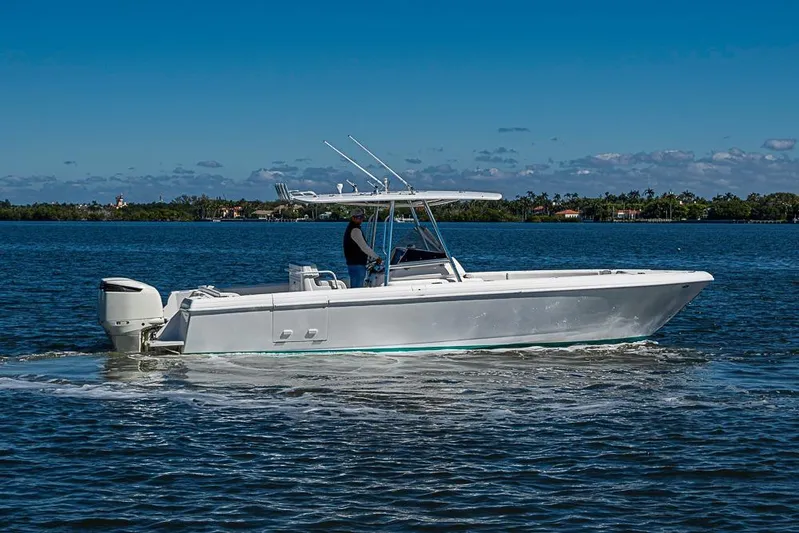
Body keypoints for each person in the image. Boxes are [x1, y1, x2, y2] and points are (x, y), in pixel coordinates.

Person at [343, 208, 382, 288]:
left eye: (362, 217)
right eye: (358, 217)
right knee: (357, 287)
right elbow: (364, 247)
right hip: (357, 264)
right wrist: (377, 257)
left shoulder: (350, 228)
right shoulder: (355, 230)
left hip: (353, 264)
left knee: (355, 286)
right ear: (353, 218)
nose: (361, 219)